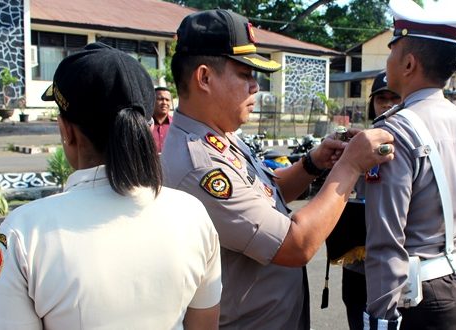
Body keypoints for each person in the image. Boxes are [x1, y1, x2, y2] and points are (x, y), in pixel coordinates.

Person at [160, 9, 395, 329]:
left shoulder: (220, 136)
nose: (256, 86)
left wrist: (312, 163)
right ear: (204, 78)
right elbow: (296, 245)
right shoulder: (199, 164)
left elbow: (266, 196)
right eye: (245, 74)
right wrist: (350, 165)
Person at [0, 43, 222, 329]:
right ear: (146, 126)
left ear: (66, 131)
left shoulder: (24, 231)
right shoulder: (192, 215)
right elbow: (204, 324)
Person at [362, 0, 456, 329]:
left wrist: (381, 318)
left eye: (392, 51)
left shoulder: (394, 132)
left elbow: (386, 240)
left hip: (415, 300)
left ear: (408, 64)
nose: (387, 60)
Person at [340, 71, 401, 330]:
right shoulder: (359, 143)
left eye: (394, 98)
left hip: (392, 261)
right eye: (381, 99)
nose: (386, 104)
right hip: (357, 259)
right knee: (356, 317)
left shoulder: (413, 145)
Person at [152, 86, 173, 152]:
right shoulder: (145, 125)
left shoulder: (176, 125)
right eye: (160, 99)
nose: (164, 103)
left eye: (167, 100)